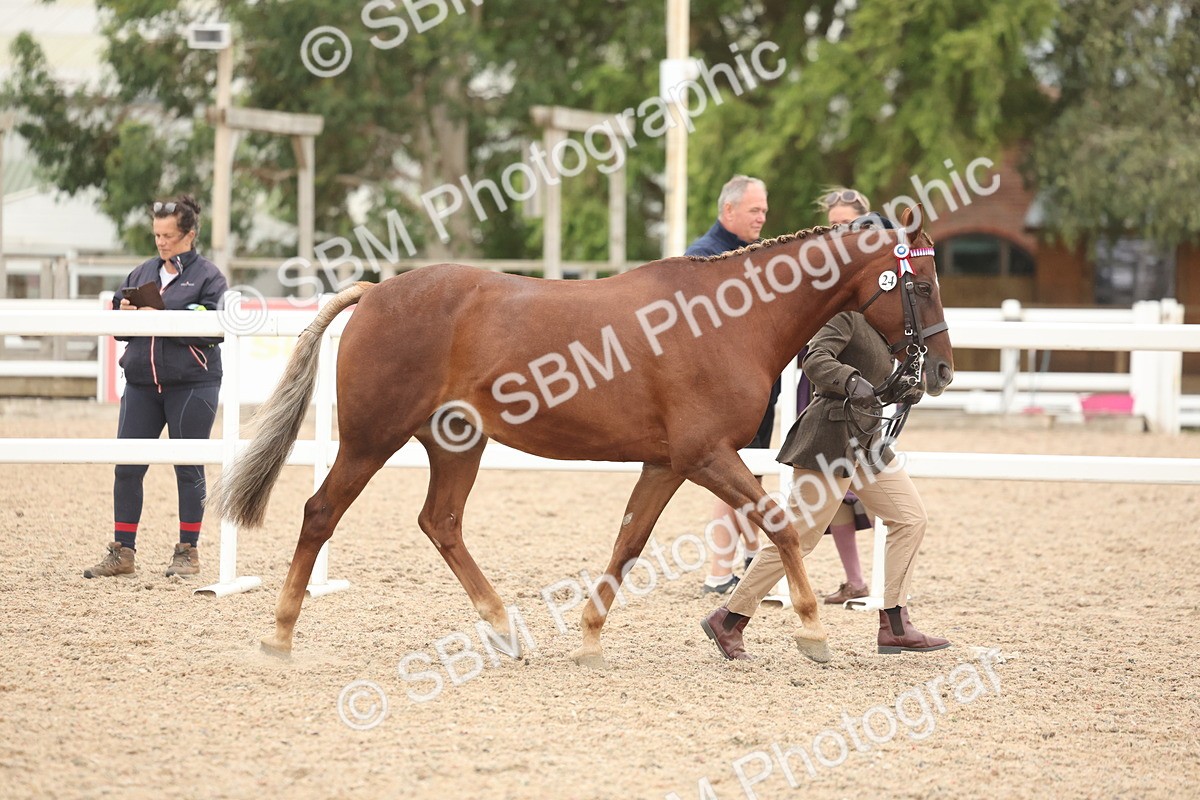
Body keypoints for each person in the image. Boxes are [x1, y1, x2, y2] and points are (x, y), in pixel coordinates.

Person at [701, 215, 949, 658]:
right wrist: (853, 382)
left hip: (868, 439)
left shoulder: (885, 315)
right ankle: (730, 618)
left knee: (910, 518)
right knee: (800, 537)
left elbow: (879, 377)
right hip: (832, 436)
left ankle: (894, 623)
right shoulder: (844, 314)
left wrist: (898, 386)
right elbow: (815, 359)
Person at [84, 195, 227, 579]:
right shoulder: (140, 273)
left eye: (168, 235)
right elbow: (118, 325)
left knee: (188, 467)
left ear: (189, 235)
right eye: (157, 235)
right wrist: (127, 313)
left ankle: (188, 551)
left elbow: (214, 327)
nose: (161, 242)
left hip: (193, 384)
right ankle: (123, 552)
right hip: (142, 385)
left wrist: (164, 315)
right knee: (127, 468)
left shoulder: (210, 277)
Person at [684, 175, 773, 594]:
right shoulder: (704, 257)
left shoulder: (751, 254)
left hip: (749, 388)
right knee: (732, 476)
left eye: (764, 210)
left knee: (750, 476)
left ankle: (749, 556)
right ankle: (721, 571)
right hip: (722, 393)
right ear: (729, 211)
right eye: (755, 210)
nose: (762, 217)